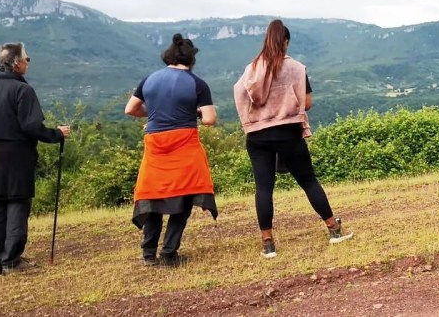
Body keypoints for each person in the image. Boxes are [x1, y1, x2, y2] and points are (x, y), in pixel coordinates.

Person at [233, 19, 353, 258]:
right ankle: (333, 228)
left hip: (257, 134)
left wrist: (252, 121)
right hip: (288, 132)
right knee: (308, 181)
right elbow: (306, 103)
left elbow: (239, 94)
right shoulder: (297, 68)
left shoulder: (252, 68)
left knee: (264, 188)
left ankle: (268, 244)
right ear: (285, 42)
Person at [0, 43, 70, 277]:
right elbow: (31, 126)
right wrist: (56, 134)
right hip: (19, 155)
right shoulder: (23, 91)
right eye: (26, 58)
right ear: (16, 63)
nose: (28, 61)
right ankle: (11, 260)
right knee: (17, 202)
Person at [124, 34, 218, 267]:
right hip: (184, 144)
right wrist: (192, 112)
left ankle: (148, 254)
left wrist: (155, 111)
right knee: (184, 196)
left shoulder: (149, 80)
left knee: (153, 196)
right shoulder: (197, 83)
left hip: (155, 145)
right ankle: (168, 253)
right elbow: (209, 119)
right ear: (190, 59)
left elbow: (130, 109)